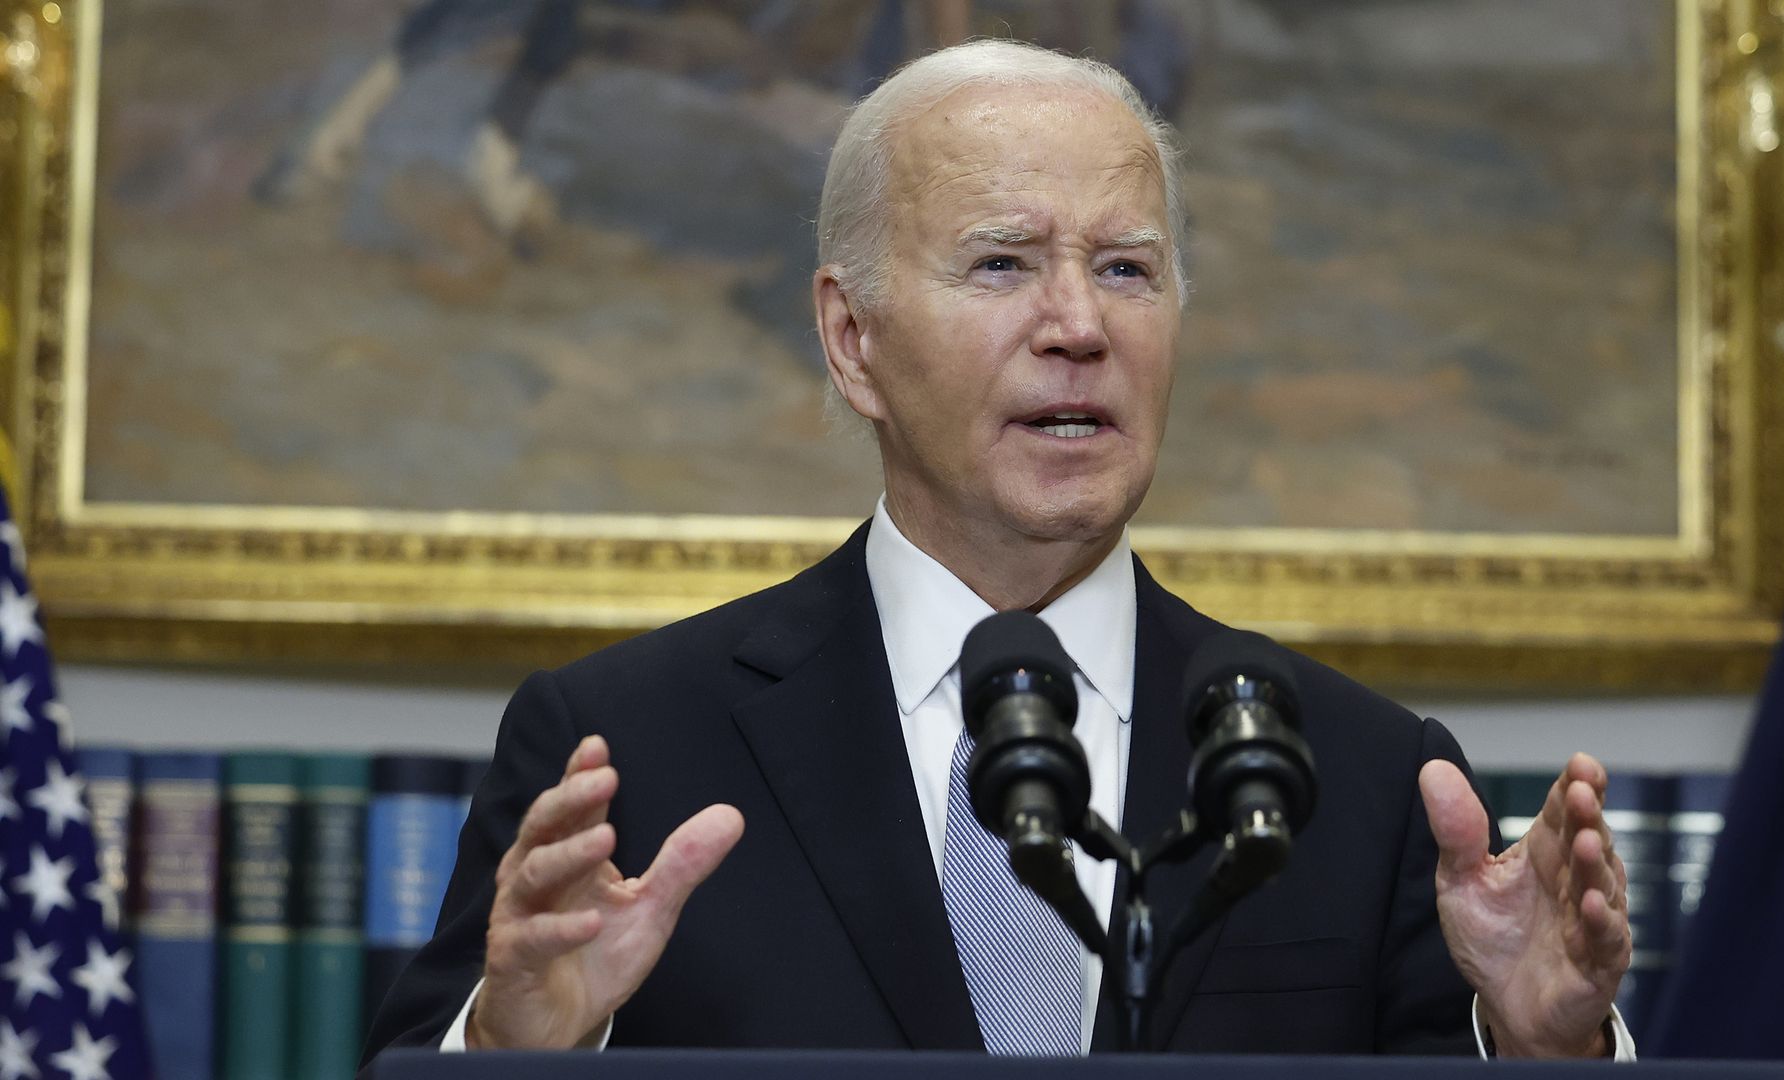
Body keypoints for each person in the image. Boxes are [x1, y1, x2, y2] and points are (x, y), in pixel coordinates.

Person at [361, 39, 1633, 1065]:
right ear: (852, 339)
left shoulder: (1359, 774)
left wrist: (1537, 1051)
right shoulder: (623, 751)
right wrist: (524, 1046)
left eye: (1128, 269)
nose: (1077, 323)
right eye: (1002, 263)